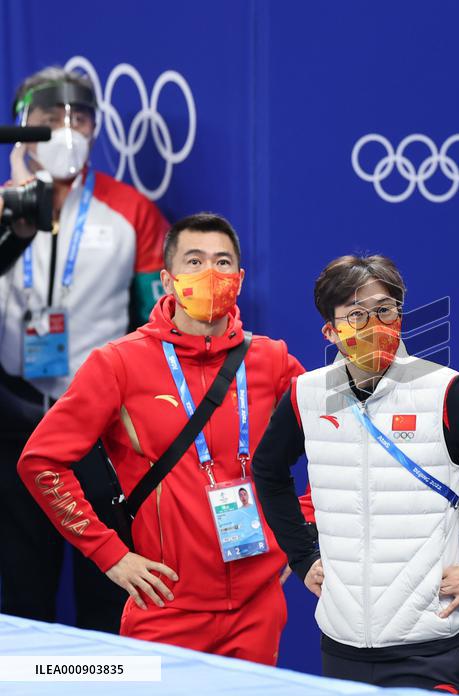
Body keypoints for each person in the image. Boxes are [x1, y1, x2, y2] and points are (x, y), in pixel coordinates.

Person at [252, 254, 459, 693]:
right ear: (331, 331)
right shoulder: (307, 394)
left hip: (429, 646)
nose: (373, 323)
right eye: (355, 314)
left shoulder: (448, 392)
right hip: (341, 645)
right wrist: (302, 558)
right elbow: (267, 472)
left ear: (400, 314)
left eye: (384, 309)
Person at [17, 213, 305, 665]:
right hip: (165, 606)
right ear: (167, 280)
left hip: (257, 607)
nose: (211, 273)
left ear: (240, 278)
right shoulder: (119, 363)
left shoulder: (272, 360)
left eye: (223, 262)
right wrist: (110, 555)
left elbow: (342, 449)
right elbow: (41, 461)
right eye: (194, 261)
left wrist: (300, 533)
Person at [0, 66, 169, 634]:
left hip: (100, 422)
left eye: (81, 118)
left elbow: (157, 320)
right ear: (23, 127)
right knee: (22, 589)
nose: (68, 130)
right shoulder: (3, 208)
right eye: (50, 119)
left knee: (111, 589)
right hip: (14, 414)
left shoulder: (132, 211)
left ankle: (105, 684)